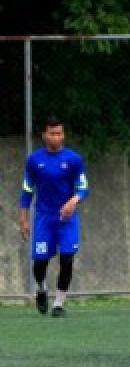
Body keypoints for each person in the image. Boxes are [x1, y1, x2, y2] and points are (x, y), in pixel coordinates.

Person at [18, 116, 88, 317]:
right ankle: (41, 288)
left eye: (60, 133)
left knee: (67, 259)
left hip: (67, 220)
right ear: (44, 135)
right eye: (53, 133)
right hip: (44, 219)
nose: (57, 137)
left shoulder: (74, 159)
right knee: (40, 263)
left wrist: (73, 201)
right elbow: (27, 191)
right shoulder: (34, 160)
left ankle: (58, 304)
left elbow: (83, 187)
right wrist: (23, 219)